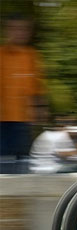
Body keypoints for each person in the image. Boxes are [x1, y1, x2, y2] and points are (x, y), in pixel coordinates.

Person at [0, 14, 48, 172]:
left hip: (23, 123)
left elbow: (38, 88)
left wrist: (40, 112)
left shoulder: (32, 56)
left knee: (21, 165)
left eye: (23, 29)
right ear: (7, 31)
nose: (19, 32)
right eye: (15, 28)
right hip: (2, 122)